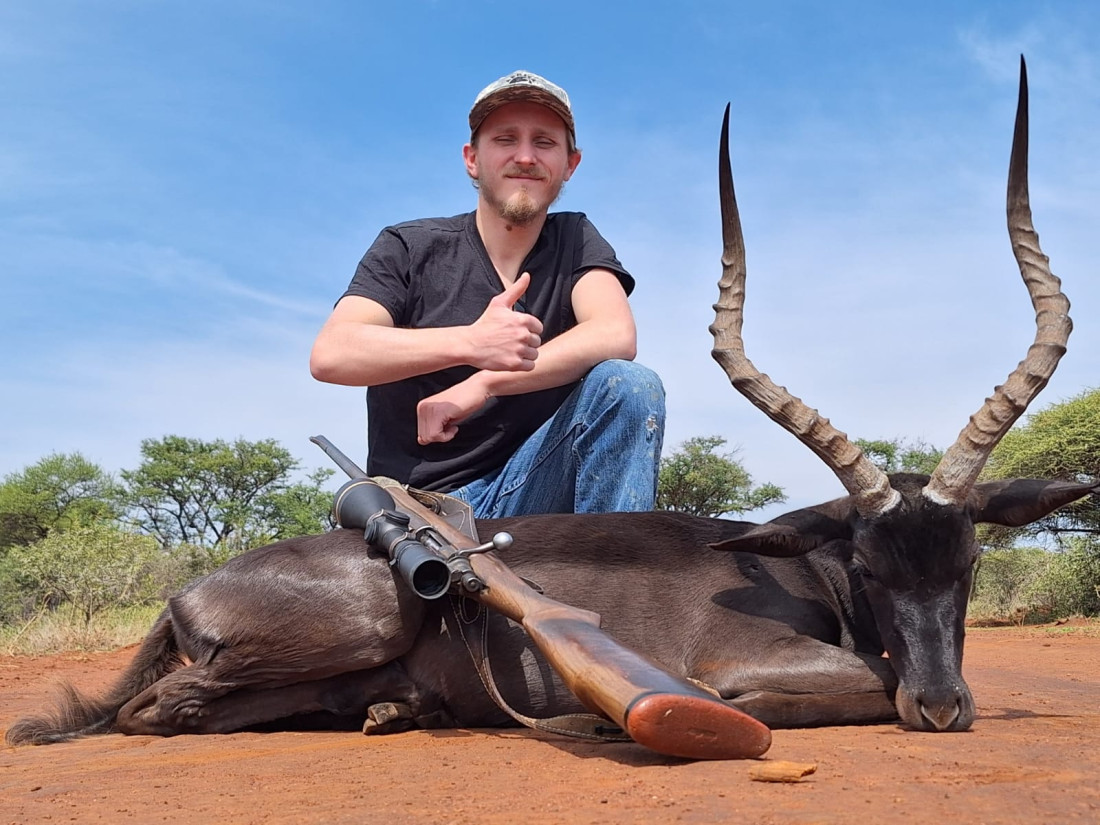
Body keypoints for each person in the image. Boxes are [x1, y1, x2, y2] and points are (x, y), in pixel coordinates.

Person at [310, 70, 665, 518]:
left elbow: (615, 334)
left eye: (544, 142)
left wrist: (485, 380)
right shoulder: (408, 245)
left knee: (628, 386)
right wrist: (471, 342)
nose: (525, 156)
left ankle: (619, 575)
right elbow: (332, 353)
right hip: (426, 506)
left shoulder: (576, 238)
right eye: (504, 139)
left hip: (532, 491)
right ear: (472, 159)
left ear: (570, 164)